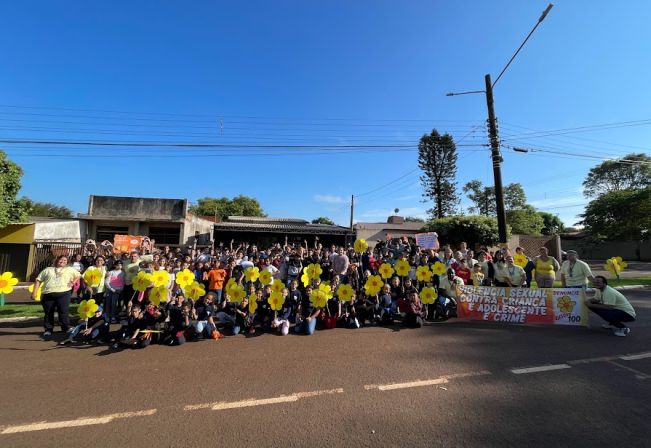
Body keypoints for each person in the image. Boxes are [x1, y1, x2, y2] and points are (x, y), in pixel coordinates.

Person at [32, 255, 82, 338]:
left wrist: (73, 282)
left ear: (67, 262)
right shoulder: (48, 269)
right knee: (48, 312)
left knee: (63, 311)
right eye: (61, 259)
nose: (62, 261)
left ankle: (66, 328)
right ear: (57, 260)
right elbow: (38, 280)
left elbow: (78, 275)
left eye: (65, 260)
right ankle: (48, 329)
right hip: (47, 294)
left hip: (64, 293)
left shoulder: (70, 269)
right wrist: (34, 292)